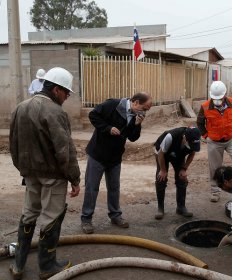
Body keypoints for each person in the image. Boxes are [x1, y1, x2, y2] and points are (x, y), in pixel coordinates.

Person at [9, 67, 81, 279]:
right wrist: (74, 178)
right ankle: (47, 266)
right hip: (53, 176)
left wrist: (24, 169)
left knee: (29, 213)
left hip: (30, 174)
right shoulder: (55, 112)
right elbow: (65, 150)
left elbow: (12, 144)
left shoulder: (20, 108)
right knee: (51, 216)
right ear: (57, 90)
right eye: (66, 93)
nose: (67, 97)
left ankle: (18, 265)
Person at [81, 92, 152, 234]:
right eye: (144, 108)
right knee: (91, 188)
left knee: (114, 188)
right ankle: (86, 219)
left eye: (147, 110)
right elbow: (93, 115)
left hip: (115, 157)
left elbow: (132, 138)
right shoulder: (112, 105)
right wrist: (107, 128)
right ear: (136, 102)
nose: (145, 112)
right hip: (98, 154)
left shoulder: (136, 116)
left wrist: (137, 125)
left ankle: (115, 215)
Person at [197, 80, 232, 203]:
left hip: (231, 138)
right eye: (214, 97)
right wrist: (206, 135)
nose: (217, 99)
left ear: (225, 94)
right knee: (214, 167)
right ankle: (215, 191)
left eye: (220, 97)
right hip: (214, 141)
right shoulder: (205, 106)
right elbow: (200, 122)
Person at [154, 126, 201, 220]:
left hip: (178, 154)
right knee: (161, 178)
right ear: (184, 138)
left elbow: (192, 153)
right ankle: (160, 208)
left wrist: (184, 168)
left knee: (182, 178)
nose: (191, 146)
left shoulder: (195, 138)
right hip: (162, 153)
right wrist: (163, 170)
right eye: (190, 144)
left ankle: (181, 207)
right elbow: (160, 154)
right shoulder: (170, 136)